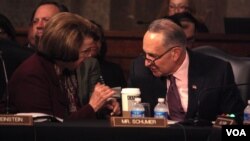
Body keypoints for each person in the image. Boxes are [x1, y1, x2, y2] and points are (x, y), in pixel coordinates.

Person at [128, 18, 244, 124]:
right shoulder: (140, 71)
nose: (146, 63)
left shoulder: (217, 71)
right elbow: (128, 110)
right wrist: (116, 106)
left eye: (152, 56)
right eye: (145, 54)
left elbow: (237, 117)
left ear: (175, 54)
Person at [7, 12, 120, 121]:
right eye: (85, 51)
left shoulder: (66, 68)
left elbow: (73, 115)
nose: (89, 56)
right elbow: (50, 131)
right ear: (65, 49)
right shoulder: (32, 75)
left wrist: (102, 106)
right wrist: (92, 107)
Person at [88, 21, 127, 88]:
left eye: (97, 39)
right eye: (90, 38)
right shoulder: (75, 68)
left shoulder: (114, 70)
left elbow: (120, 95)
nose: (94, 43)